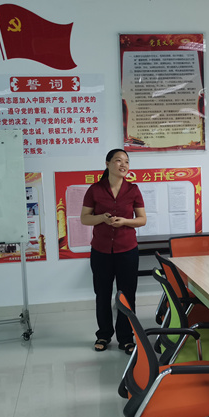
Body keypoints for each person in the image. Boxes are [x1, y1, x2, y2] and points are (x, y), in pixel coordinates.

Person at [80, 149, 146, 355]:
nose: (123, 165)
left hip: (127, 250)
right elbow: (84, 218)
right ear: (107, 164)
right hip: (101, 251)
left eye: (126, 161)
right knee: (102, 294)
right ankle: (104, 335)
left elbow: (142, 219)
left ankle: (126, 338)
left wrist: (125, 221)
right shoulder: (95, 189)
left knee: (127, 295)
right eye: (118, 160)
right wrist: (102, 218)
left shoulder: (133, 189)